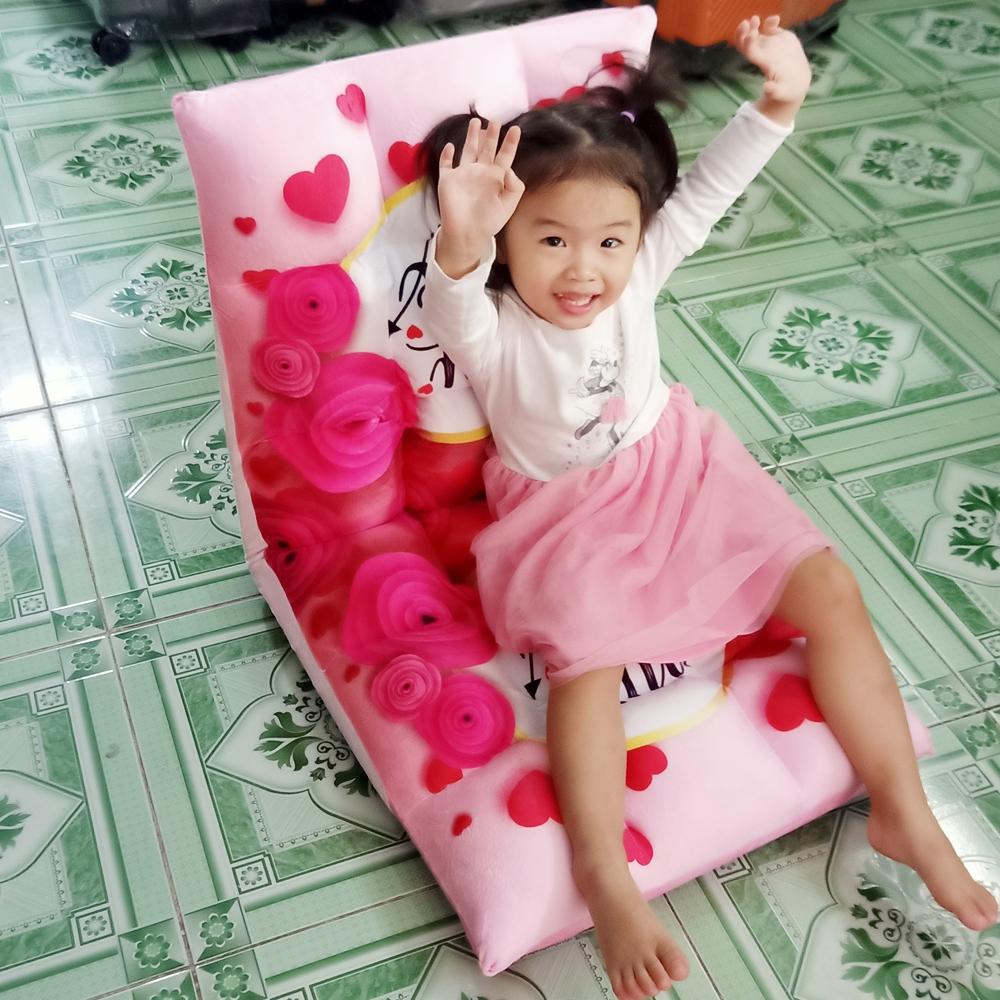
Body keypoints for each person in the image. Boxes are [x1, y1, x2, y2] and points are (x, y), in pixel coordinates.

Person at [419, 15, 998, 1000]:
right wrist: (464, 234)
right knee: (585, 669)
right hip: (565, 516)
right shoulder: (492, 321)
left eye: (610, 241)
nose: (584, 270)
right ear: (511, 240)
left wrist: (779, 99)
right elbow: (451, 302)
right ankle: (606, 876)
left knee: (830, 587)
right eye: (552, 241)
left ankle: (901, 803)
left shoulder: (638, 268)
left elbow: (714, 187)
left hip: (679, 468)